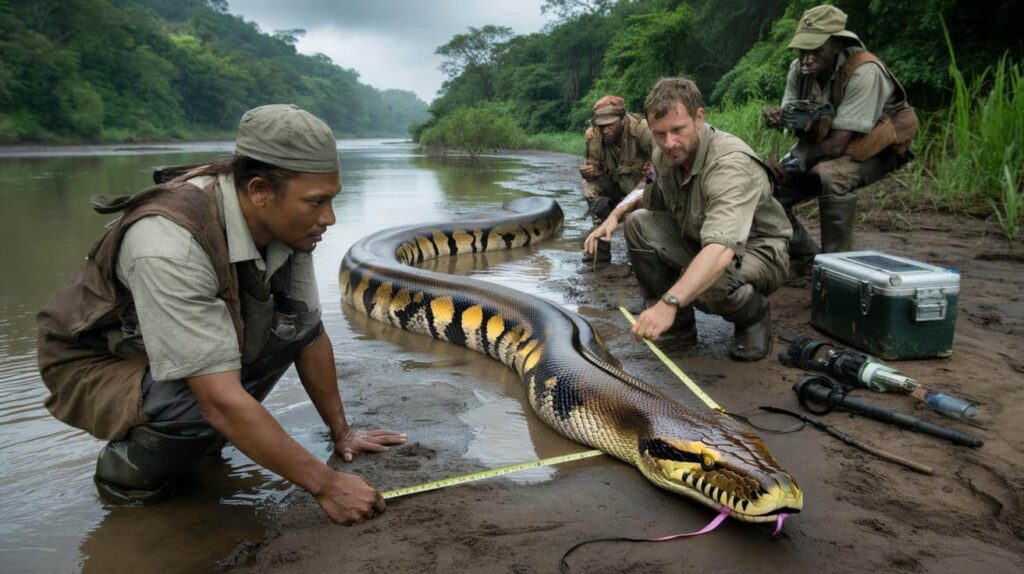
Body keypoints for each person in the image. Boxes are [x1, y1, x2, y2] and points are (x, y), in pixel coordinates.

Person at [36, 104, 405, 523]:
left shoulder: (291, 226)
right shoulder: (167, 243)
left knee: (284, 331)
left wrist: (343, 432)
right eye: (316, 203)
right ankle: (127, 483)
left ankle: (200, 448)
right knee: (199, 399)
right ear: (259, 190)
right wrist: (326, 485)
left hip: (168, 350)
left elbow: (307, 334)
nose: (329, 218)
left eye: (332, 200)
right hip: (96, 362)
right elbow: (217, 400)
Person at [585, 78, 792, 361]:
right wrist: (615, 215)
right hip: (700, 238)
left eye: (677, 130)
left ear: (698, 118)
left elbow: (721, 249)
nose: (669, 143)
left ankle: (754, 318)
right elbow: (646, 193)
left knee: (711, 285)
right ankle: (678, 329)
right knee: (638, 224)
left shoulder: (729, 163)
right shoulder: (664, 155)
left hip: (757, 250)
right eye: (659, 134)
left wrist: (669, 301)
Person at [763, 4, 918, 275]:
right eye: (803, 50)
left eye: (816, 50)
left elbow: (837, 145)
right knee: (765, 187)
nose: (807, 58)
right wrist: (783, 120)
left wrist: (794, 163)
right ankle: (807, 256)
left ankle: (837, 268)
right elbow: (802, 124)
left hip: (875, 149)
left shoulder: (865, 72)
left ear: (836, 45)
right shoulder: (798, 71)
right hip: (823, 145)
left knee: (829, 176)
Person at [579, 95, 654, 263]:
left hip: (641, 190)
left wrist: (650, 170)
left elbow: (659, 168)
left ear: (622, 119)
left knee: (650, 191)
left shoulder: (643, 131)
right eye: (601, 125)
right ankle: (600, 245)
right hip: (617, 187)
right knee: (588, 185)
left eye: (610, 124)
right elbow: (595, 164)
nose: (605, 130)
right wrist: (591, 171)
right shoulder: (594, 136)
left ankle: (641, 248)